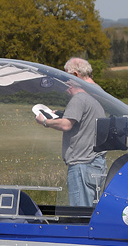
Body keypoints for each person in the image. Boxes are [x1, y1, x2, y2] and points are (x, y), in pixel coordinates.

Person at [41, 58, 107, 208]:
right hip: (96, 162)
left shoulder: (80, 96)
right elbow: (86, 116)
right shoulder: (98, 93)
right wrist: (60, 113)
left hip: (82, 163)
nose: (66, 83)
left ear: (76, 75)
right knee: (90, 211)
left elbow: (66, 125)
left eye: (66, 77)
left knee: (79, 215)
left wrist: (45, 122)